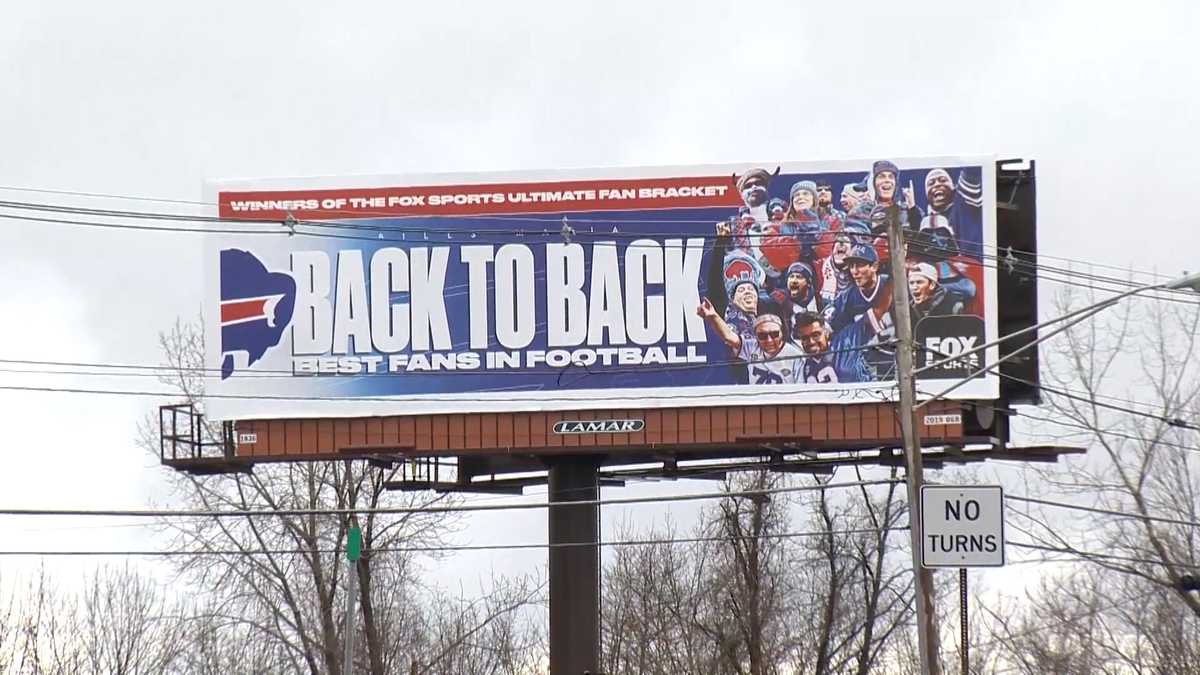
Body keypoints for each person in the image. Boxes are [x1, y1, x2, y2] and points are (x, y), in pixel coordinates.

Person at [826, 244, 895, 382]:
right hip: (864, 362)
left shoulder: (892, 284)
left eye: (859, 265)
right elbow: (829, 329)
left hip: (897, 357)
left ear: (874, 266)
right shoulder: (845, 298)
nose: (854, 271)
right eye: (851, 266)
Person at [696, 303, 804, 384]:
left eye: (774, 334)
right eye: (763, 336)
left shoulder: (795, 355)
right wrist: (713, 316)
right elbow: (728, 336)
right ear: (756, 337)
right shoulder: (752, 346)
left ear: (782, 333)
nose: (769, 340)